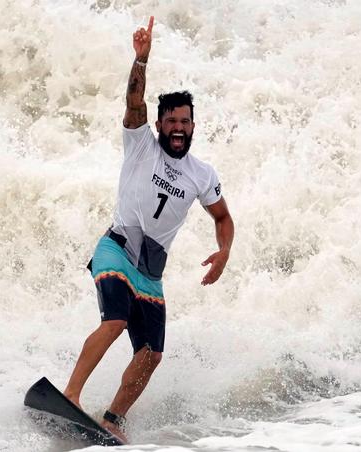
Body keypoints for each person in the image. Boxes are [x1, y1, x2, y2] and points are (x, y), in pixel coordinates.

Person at [63, 16, 234, 443]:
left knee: (152, 354)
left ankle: (113, 419)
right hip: (117, 249)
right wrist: (141, 61)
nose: (178, 128)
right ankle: (70, 394)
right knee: (116, 320)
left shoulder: (201, 173)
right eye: (171, 121)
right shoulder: (140, 142)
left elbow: (223, 218)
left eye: (185, 122)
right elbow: (134, 102)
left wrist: (224, 251)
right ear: (159, 124)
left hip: (150, 273)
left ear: (193, 126)